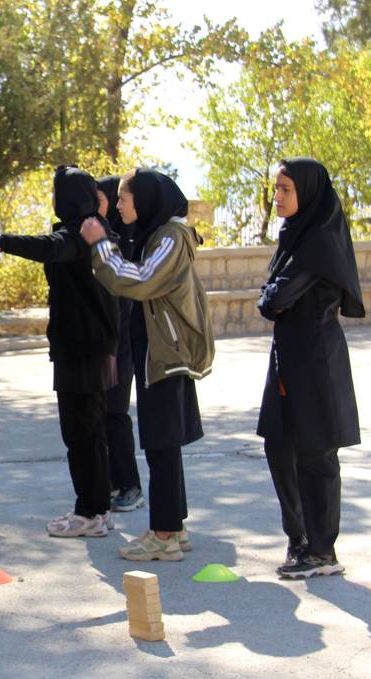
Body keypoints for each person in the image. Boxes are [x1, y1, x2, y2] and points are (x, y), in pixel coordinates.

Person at [0, 165, 120, 538]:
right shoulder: (98, 230)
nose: (54, 200)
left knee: (80, 433)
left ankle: (88, 512)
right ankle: (99, 510)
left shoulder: (78, 233)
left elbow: (50, 248)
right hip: (96, 346)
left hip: (81, 349)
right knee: (93, 432)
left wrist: (3, 242)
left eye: (56, 193)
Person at [80, 168, 214, 562]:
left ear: (146, 200)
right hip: (158, 352)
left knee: (161, 443)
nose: (118, 205)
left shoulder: (170, 238)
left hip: (166, 355)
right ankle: (174, 527)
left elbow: (138, 280)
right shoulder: (157, 234)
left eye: (124, 198)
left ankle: (165, 535)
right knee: (162, 444)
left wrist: (101, 245)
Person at [258, 158, 364, 579]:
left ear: (307, 192)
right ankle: (299, 539)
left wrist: (272, 295)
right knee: (279, 444)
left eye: (286, 189)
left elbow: (273, 300)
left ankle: (322, 551)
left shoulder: (319, 240)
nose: (278, 197)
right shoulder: (295, 236)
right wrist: (272, 295)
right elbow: (273, 296)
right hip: (289, 356)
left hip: (316, 357)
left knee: (316, 451)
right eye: (277, 189)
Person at [96, 176, 145, 514]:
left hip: (122, 340)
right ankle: (113, 482)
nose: (111, 206)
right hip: (101, 340)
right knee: (100, 415)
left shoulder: (127, 237)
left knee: (115, 413)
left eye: (106, 199)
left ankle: (130, 485)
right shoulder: (100, 235)